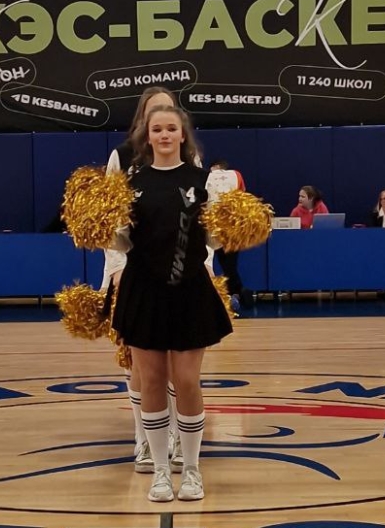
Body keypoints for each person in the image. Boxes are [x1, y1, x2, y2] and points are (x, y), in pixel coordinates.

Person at [108, 105, 233, 502]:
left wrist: (233, 225)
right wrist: (100, 228)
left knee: (187, 380)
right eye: (157, 129)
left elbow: (215, 238)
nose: (164, 135)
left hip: (189, 289)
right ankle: (161, 471)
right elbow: (121, 240)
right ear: (148, 137)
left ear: (183, 135)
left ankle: (191, 470)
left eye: (171, 129)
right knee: (151, 381)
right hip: (143, 290)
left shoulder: (203, 181)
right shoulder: (131, 183)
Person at [103, 87, 206, 475]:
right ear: (144, 123)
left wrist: (206, 265)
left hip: (184, 277)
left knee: (183, 373)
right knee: (140, 368)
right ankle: (143, 440)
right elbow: (112, 223)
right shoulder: (122, 159)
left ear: (180, 127)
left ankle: (179, 439)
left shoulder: (194, 167)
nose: (163, 127)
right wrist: (115, 268)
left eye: (169, 116)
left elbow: (201, 225)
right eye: (155, 117)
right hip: (136, 274)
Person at [206, 160, 254, 310]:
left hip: (222, 229)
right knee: (228, 266)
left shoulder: (216, 178)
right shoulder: (236, 176)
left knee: (225, 266)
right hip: (228, 228)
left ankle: (237, 294)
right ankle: (238, 293)